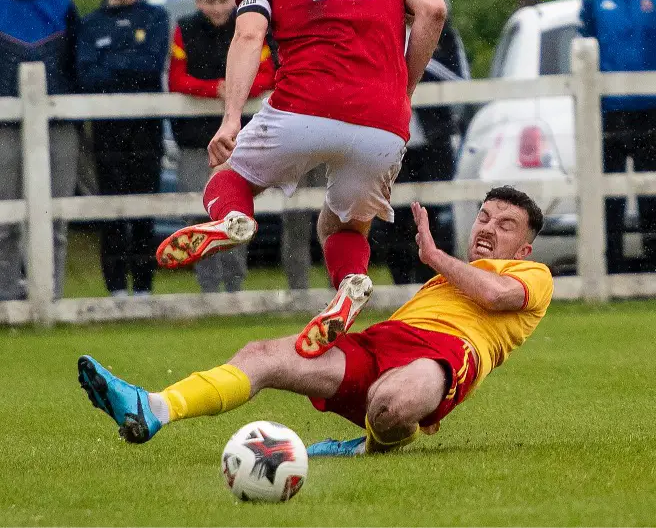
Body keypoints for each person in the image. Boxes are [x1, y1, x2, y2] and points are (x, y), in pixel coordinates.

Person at [155, 0, 447, 358]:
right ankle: (350, 284)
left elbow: (248, 38)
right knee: (343, 227)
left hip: (304, 107)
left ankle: (234, 218)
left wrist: (230, 120)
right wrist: (404, 88)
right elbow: (432, 10)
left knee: (230, 178)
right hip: (382, 121)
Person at [78, 186, 553, 457]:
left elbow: (493, 295)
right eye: (484, 218)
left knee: (391, 406)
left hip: (447, 355)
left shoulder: (533, 275)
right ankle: (153, 408)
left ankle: (377, 439)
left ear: (524, 248)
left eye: (504, 225)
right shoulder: (449, 281)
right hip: (382, 343)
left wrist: (434, 255)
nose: (488, 228)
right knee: (262, 355)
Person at [168, 0, 275, 293]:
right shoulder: (184, 29)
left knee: (234, 216)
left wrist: (238, 90)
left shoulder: (247, 26)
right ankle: (208, 288)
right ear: (199, 1)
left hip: (237, 140)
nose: (217, 8)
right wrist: (213, 88)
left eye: (224, 0)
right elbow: (176, 80)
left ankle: (235, 286)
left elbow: (268, 74)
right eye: (209, 1)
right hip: (194, 139)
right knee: (198, 216)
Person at [76, 0, 169, 297]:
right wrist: (126, 62)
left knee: (145, 205)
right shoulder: (91, 23)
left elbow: (150, 66)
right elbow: (87, 75)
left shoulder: (155, 17)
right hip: (106, 129)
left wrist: (112, 63)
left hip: (145, 126)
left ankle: (144, 287)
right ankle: (115, 288)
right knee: (111, 206)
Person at [0, 0, 79, 300]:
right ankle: (6, 299)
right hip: (6, 126)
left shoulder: (62, 6)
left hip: (59, 125)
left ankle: (52, 296)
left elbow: (78, 67)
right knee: (6, 219)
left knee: (55, 218)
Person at [579, 0, 656, 274]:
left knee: (650, 194)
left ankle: (652, 266)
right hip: (607, 114)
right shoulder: (593, 3)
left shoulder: (653, 0)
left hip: (649, 112)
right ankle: (611, 268)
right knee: (606, 196)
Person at [377, 8, 471, 285]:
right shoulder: (380, 32)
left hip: (434, 142)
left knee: (435, 216)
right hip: (390, 143)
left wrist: (417, 58)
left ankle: (435, 283)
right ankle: (401, 287)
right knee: (393, 218)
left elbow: (460, 80)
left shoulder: (444, 34)